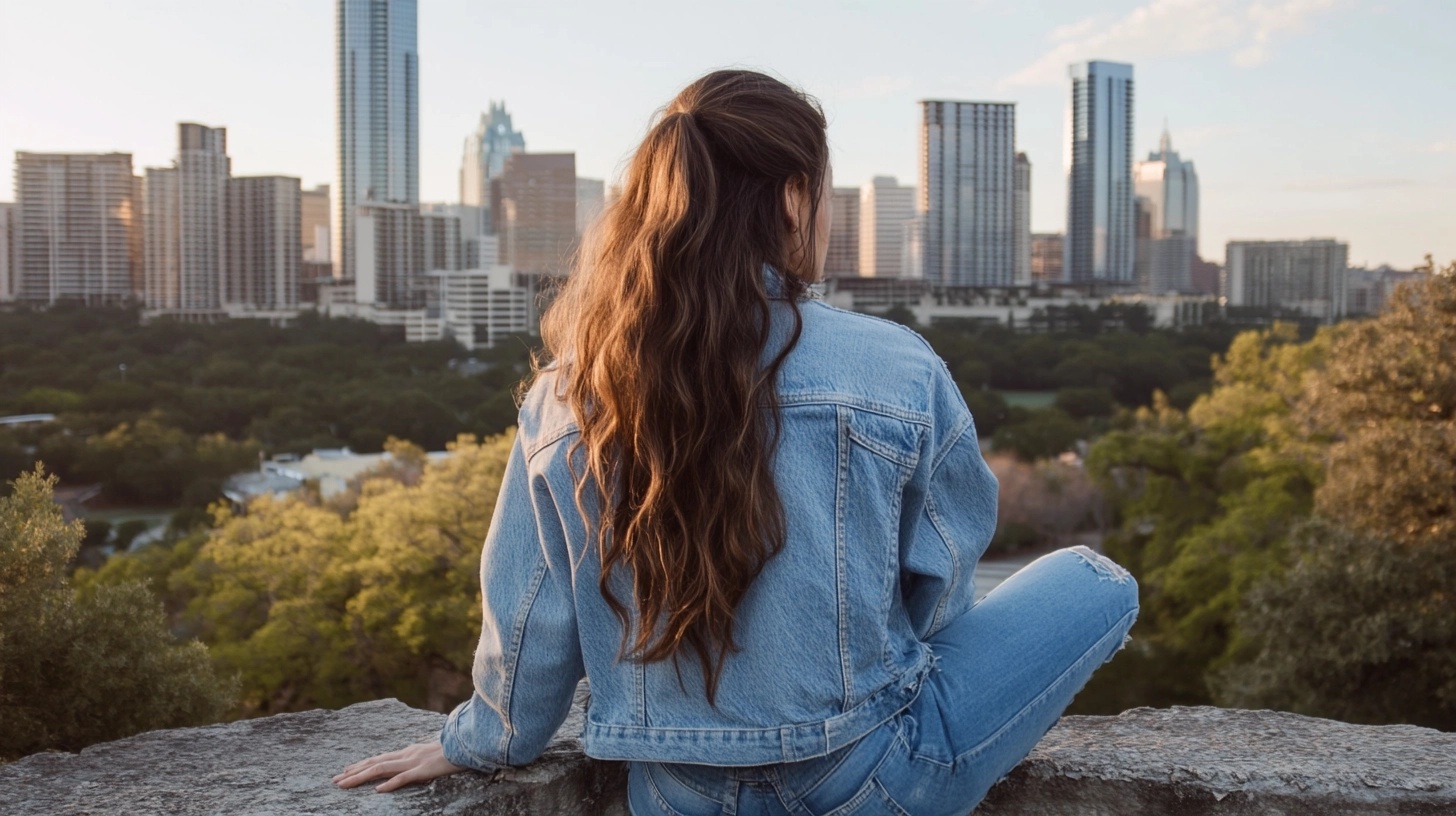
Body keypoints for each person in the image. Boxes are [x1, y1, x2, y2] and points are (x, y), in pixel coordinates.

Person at [333, 69, 1138, 815]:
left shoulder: (568, 397)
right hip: (873, 778)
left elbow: (533, 623)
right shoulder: (895, 366)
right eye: (825, 194)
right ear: (793, 201)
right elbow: (939, 580)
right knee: (1095, 578)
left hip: (676, 795)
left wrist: (474, 742)